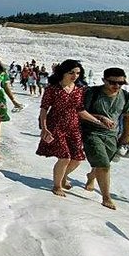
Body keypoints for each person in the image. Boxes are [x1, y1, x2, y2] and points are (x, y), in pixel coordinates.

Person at [36, 60, 101, 197]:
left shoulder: (79, 90)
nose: (75, 76)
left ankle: (63, 176)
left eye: (77, 73)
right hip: (56, 126)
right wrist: (44, 127)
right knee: (64, 157)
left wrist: (97, 121)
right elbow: (44, 109)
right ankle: (57, 185)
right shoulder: (52, 89)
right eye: (71, 72)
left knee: (77, 159)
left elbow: (80, 110)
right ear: (63, 72)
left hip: (74, 127)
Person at [80, 67, 129, 210]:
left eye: (120, 83)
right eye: (112, 82)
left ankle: (91, 177)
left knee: (103, 162)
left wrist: (125, 136)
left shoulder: (125, 96)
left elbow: (128, 116)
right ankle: (106, 197)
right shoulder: (93, 93)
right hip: (92, 132)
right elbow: (81, 112)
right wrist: (100, 118)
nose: (116, 86)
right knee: (104, 164)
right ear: (104, 80)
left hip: (112, 135)